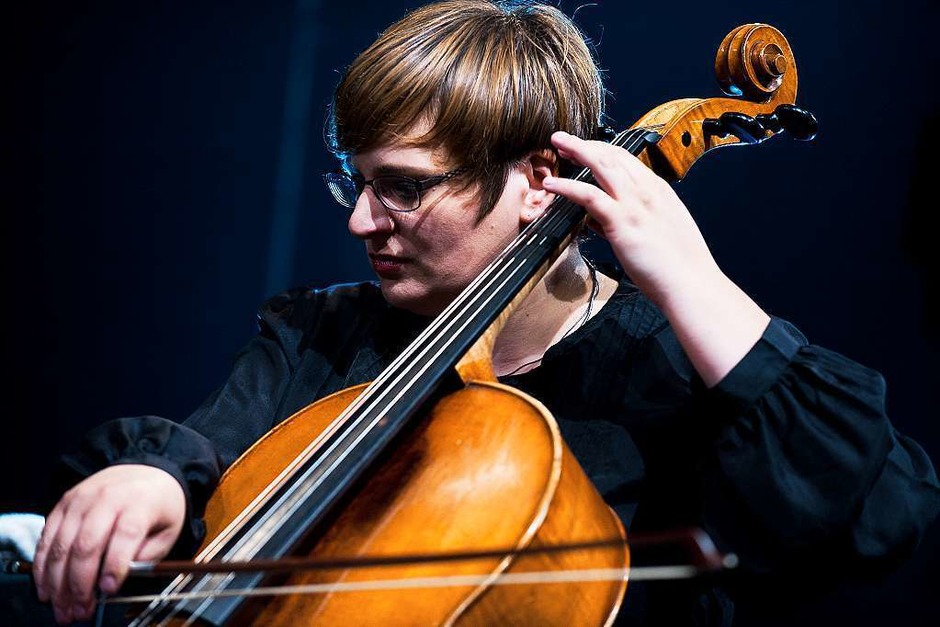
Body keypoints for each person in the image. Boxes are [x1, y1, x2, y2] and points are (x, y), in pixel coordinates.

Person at [22, 1, 940, 625]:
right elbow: (203, 450)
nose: (360, 221)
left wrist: (693, 282)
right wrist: (152, 479)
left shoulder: (674, 368)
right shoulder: (319, 333)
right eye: (356, 181)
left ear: (538, 181)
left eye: (404, 187)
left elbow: (877, 519)